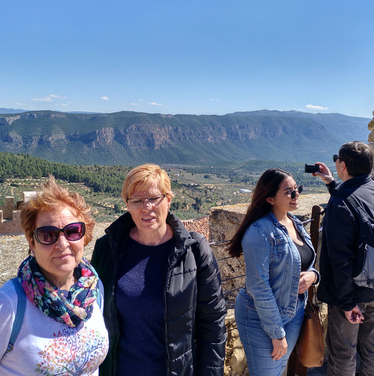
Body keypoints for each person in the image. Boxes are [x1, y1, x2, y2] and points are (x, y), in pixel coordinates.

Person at [91, 163, 227, 376]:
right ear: (127, 205)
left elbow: (212, 325)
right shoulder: (107, 249)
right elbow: (95, 316)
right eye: (136, 200)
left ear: (169, 199)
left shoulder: (194, 251)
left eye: (154, 198)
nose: (146, 207)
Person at [0, 175, 109, 375]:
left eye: (72, 231)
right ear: (32, 242)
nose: (63, 244)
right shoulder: (6, 306)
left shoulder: (93, 290)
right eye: (48, 235)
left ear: (84, 235)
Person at [228, 168, 319, 376]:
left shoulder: (295, 223)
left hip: (293, 311)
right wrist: (276, 333)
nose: (297, 196)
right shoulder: (259, 232)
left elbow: (306, 264)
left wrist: (314, 276)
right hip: (261, 317)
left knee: (277, 371)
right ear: (270, 199)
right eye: (289, 192)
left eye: (298, 189)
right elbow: (258, 285)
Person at [312, 141, 374, 376]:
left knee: (343, 352)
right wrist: (331, 183)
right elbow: (356, 203)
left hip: (351, 293)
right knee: (371, 349)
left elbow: (340, 260)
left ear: (343, 165)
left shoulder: (340, 203)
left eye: (337, 158)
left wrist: (347, 304)